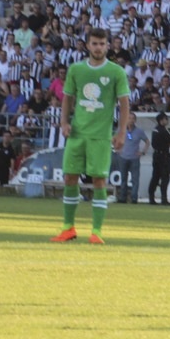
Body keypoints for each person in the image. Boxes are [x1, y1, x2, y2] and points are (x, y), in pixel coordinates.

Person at [50, 29, 131, 245]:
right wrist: (64, 122)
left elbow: (124, 104)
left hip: (101, 136)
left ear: (108, 46)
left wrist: (121, 132)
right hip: (77, 134)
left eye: (102, 44)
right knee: (69, 177)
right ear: (87, 45)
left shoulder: (116, 72)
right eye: (94, 43)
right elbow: (67, 98)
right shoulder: (76, 69)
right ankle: (68, 228)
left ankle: (96, 232)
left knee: (99, 180)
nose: (98, 47)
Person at [113, 112, 149, 204]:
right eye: (129, 118)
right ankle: (122, 198)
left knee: (135, 179)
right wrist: (117, 148)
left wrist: (143, 152)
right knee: (123, 178)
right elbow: (114, 139)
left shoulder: (139, 131)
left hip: (134, 158)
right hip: (123, 157)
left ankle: (134, 199)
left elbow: (147, 141)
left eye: (133, 118)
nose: (131, 120)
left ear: (135, 120)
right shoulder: (121, 129)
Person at [149, 112, 170, 206]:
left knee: (155, 177)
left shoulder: (155, 129)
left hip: (156, 156)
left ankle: (151, 198)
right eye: (166, 119)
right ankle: (164, 199)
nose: (167, 120)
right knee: (165, 177)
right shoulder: (163, 131)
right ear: (161, 120)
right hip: (163, 157)